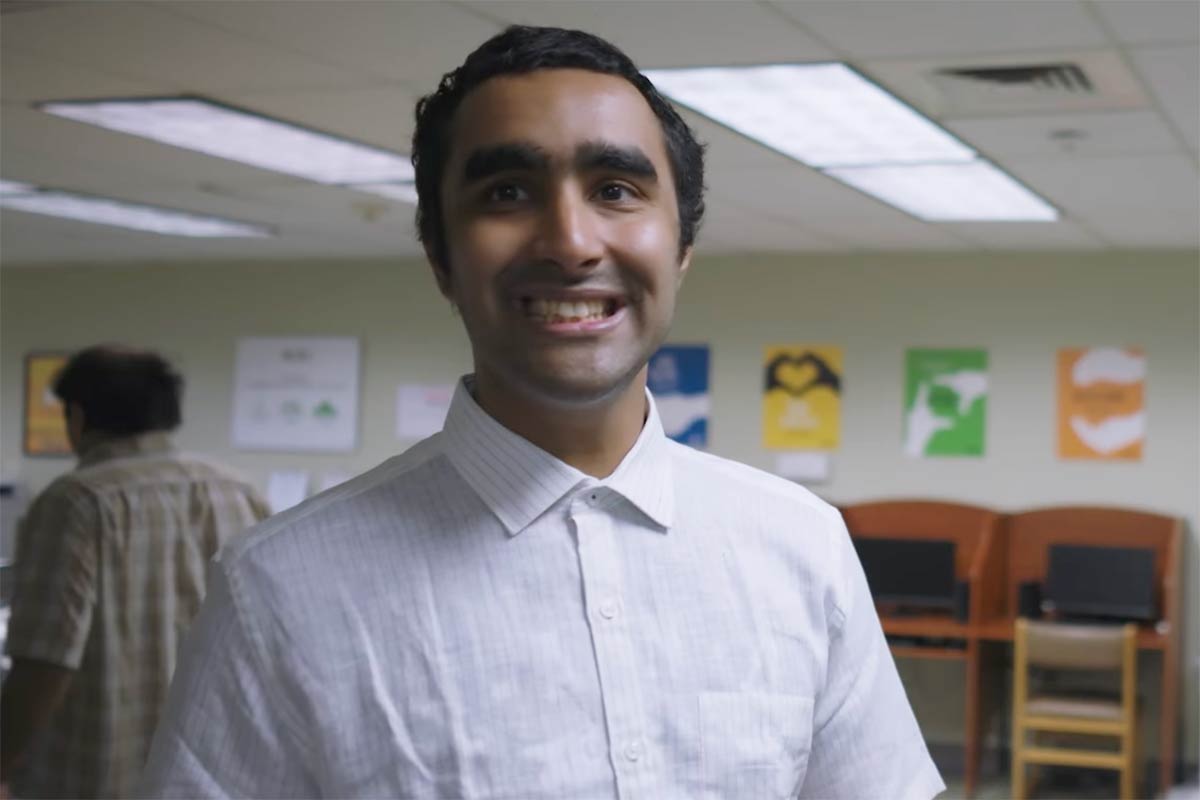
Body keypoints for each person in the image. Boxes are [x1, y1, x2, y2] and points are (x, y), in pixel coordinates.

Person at [141, 26, 944, 799]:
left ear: (681, 247)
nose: (569, 240)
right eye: (508, 192)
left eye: (617, 190)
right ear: (441, 258)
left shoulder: (801, 545)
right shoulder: (280, 588)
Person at [0, 345, 269, 798]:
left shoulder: (76, 501)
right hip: (209, 773)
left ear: (77, 418)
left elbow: (44, 661)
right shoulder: (238, 492)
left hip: (96, 776)